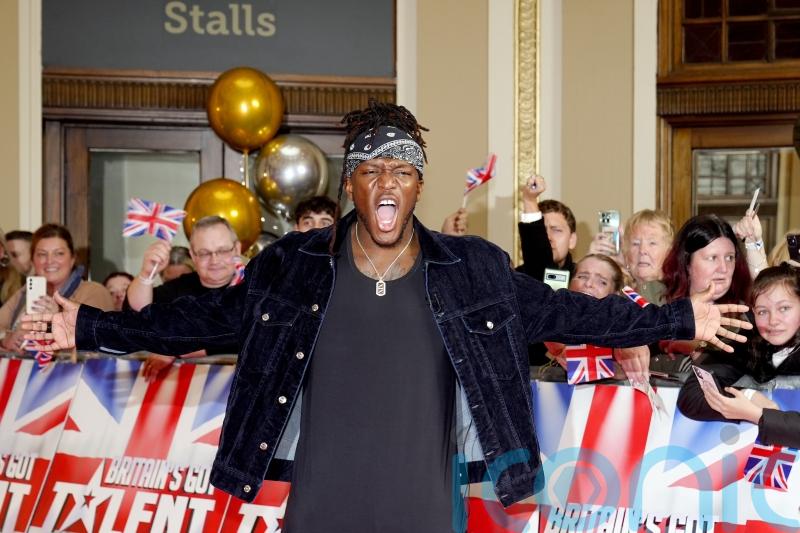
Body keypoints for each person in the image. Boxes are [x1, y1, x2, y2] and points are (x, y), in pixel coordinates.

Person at [23, 102, 750, 532]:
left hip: (425, 506)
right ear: (350, 183)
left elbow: (570, 310)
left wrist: (678, 313)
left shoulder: (473, 269)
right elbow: (199, 321)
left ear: (419, 184)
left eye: (401, 170)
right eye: (371, 169)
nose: (386, 183)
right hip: (322, 504)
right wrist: (85, 326)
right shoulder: (294, 266)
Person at [677, 264, 800, 448]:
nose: (773, 321)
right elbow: (692, 393)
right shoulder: (747, 341)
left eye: (784, 308)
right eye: (762, 312)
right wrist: (746, 395)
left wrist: (757, 415)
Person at [125, 216, 242, 378]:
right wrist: (146, 274)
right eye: (204, 253)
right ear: (193, 256)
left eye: (222, 251)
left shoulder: (255, 286)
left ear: (237, 249)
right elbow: (137, 314)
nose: (214, 260)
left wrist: (178, 350)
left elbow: (252, 336)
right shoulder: (179, 288)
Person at [653, 214, 753, 373]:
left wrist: (695, 347)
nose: (723, 268)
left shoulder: (744, 318)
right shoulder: (655, 304)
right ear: (687, 263)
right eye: (712, 258)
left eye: (729, 258)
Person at [1, 223, 113, 353]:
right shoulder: (25, 292)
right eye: (42, 254)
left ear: (72, 259)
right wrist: (6, 338)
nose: (50, 261)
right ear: (33, 261)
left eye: (59, 253)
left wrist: (57, 321)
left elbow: (96, 346)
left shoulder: (94, 292)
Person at [589, 209, 673, 305]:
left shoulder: (678, 294)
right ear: (626, 252)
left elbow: (651, 313)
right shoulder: (617, 292)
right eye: (635, 243)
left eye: (652, 243)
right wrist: (592, 264)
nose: (642, 250)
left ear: (669, 252)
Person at [516, 175, 578, 280]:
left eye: (556, 230)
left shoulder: (584, 281)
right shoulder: (515, 280)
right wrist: (530, 201)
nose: (547, 237)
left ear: (572, 240)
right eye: (541, 231)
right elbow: (540, 260)